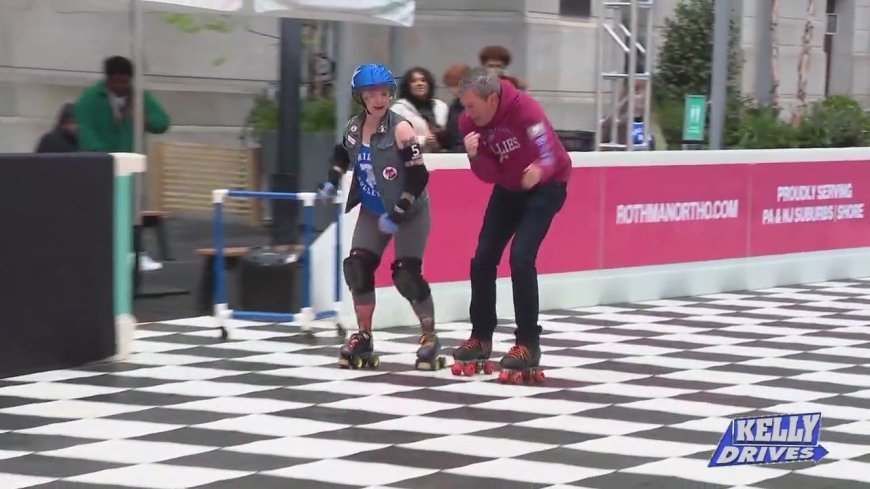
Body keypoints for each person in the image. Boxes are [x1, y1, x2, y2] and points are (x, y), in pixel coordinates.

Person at [318, 63, 442, 370]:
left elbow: (418, 176)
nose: (378, 99)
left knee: (405, 274)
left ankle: (429, 336)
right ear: (360, 97)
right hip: (373, 210)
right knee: (357, 267)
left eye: (384, 93)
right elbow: (340, 153)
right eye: (371, 93)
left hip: (409, 211)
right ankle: (364, 335)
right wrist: (332, 180)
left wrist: (399, 212)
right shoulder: (353, 128)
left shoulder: (401, 129)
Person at [452, 67, 570, 381]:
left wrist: (540, 169)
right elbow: (488, 176)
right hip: (508, 189)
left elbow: (552, 153)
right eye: (464, 106)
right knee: (483, 259)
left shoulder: (524, 110)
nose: (467, 114)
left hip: (548, 186)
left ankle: (528, 343)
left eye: (472, 106)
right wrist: (475, 157)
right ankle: (481, 337)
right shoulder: (468, 124)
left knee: (521, 257)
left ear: (492, 99)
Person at [74, 55, 170, 153]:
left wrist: (144, 120)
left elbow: (163, 123)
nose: (120, 86)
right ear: (108, 79)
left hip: (132, 160)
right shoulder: (90, 97)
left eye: (124, 82)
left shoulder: (140, 97)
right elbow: (84, 128)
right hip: (101, 160)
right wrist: (100, 155)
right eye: (116, 82)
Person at [390, 67, 449, 153]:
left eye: (423, 80)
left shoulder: (441, 107)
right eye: (414, 81)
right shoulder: (398, 109)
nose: (419, 84)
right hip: (412, 158)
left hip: (440, 158)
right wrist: (423, 140)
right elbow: (393, 138)